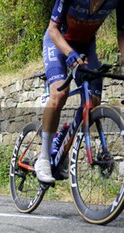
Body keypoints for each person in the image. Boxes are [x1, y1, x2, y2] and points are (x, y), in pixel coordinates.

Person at [35, 0, 124, 184]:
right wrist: (70, 54)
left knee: (93, 100)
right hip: (58, 41)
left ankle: (62, 145)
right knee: (59, 93)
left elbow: (122, 34)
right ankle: (43, 157)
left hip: (86, 45)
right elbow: (52, 29)